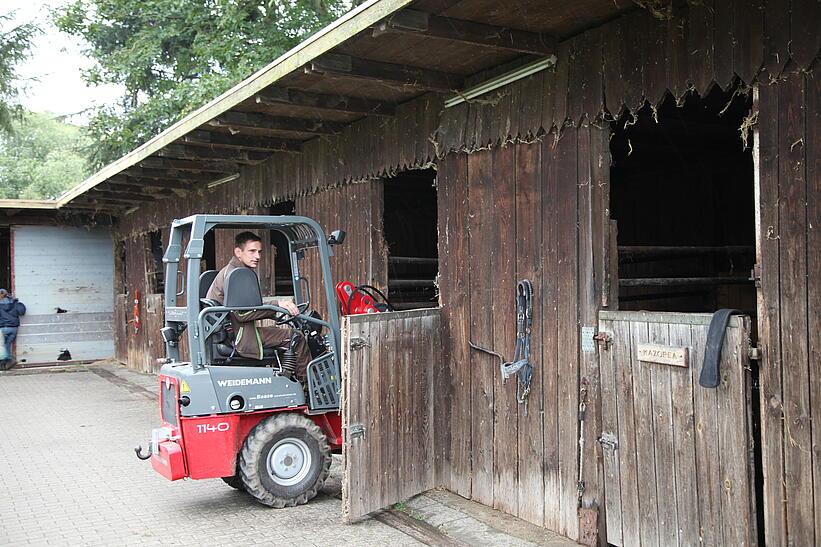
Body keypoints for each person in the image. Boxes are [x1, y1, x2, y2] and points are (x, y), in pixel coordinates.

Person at [206, 231, 311, 379]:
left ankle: (284, 381)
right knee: (296, 337)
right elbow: (242, 314)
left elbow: (245, 306)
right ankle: (307, 388)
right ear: (238, 252)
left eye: (259, 252)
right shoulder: (238, 275)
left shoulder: (230, 271)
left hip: (232, 333)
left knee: (277, 331)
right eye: (252, 251)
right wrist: (277, 304)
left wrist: (274, 311)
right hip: (240, 336)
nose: (257, 256)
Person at [0, 288, 26, 370]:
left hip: (3, 328)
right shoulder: (14, 303)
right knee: (6, 345)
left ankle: (9, 359)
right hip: (14, 328)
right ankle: (5, 364)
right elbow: (21, 312)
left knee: (2, 346)